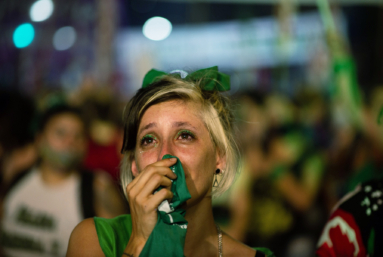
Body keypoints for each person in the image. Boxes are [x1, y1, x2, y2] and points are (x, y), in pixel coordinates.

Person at [67, 67, 274, 257]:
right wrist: (139, 243)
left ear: (220, 158)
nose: (165, 155)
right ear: (134, 165)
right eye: (149, 140)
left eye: (185, 136)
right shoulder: (96, 240)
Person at [1, 105, 126, 257]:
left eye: (78, 135)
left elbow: (119, 245)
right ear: (40, 139)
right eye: (60, 133)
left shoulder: (97, 186)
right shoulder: (17, 178)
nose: (70, 141)